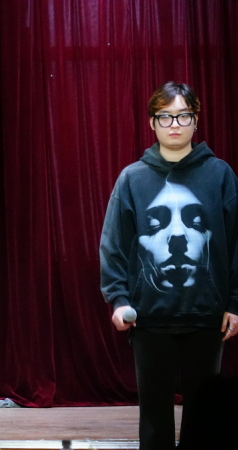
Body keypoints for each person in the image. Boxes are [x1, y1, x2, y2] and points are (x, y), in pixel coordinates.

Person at [99, 81, 238, 450]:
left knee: (204, 421)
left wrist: (235, 304)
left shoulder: (221, 175)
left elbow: (236, 242)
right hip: (149, 319)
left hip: (207, 318)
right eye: (165, 116)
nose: (174, 124)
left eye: (183, 116)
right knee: (154, 420)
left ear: (196, 120)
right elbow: (113, 245)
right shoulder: (133, 178)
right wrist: (119, 299)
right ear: (152, 122)